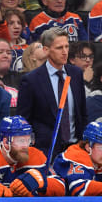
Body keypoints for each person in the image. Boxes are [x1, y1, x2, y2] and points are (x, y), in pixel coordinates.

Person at [17, 27, 86, 158]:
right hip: (45, 151)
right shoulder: (31, 80)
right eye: (59, 48)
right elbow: (24, 120)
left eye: (67, 46)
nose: (65, 52)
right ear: (46, 50)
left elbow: (82, 112)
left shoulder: (76, 74)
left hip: (75, 149)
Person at [0, 116, 65, 197]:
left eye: (28, 140)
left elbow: (62, 187)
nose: (26, 146)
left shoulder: (36, 156)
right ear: (6, 142)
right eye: (21, 141)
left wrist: (42, 181)